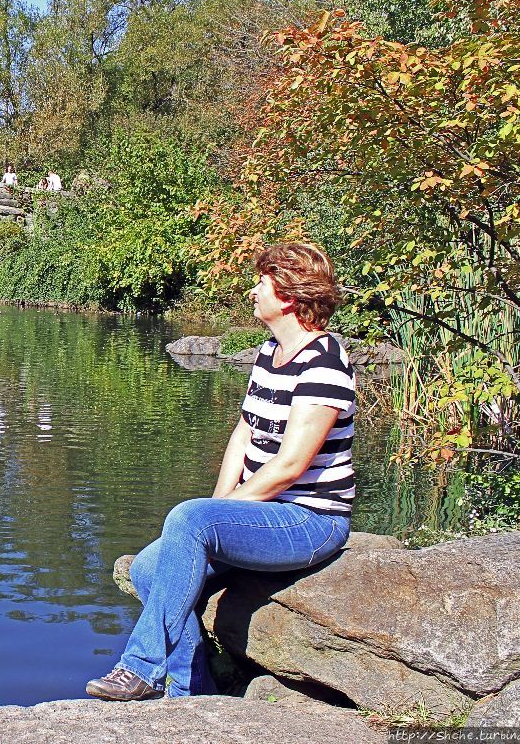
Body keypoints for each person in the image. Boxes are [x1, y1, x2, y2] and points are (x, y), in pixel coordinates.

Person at [86, 242, 355, 700]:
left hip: (309, 521)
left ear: (288, 297)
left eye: (262, 284)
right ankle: (190, 691)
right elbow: (244, 433)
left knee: (190, 519)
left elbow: (290, 467)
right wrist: (216, 505)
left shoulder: (325, 364)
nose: (252, 292)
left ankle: (141, 666)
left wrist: (211, 514)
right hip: (264, 512)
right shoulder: (271, 351)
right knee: (148, 570)